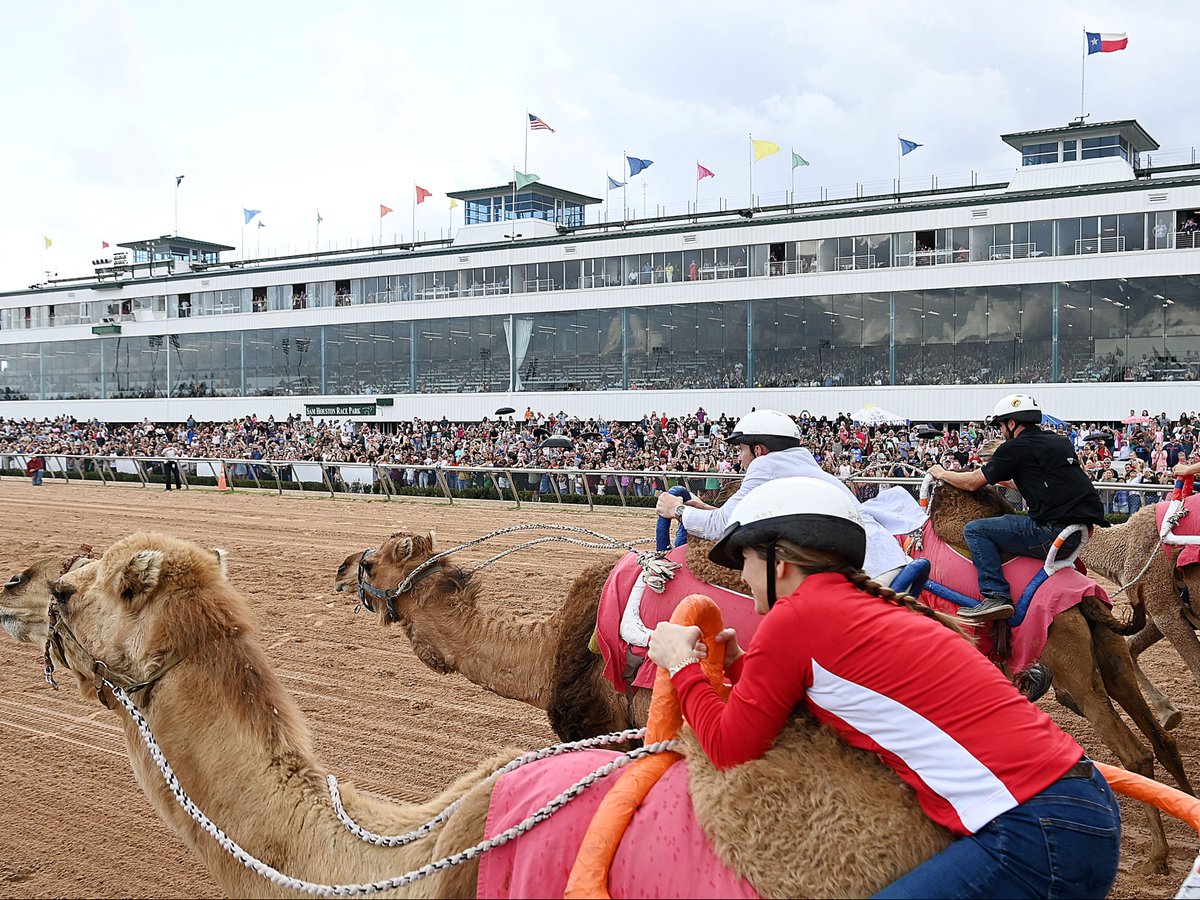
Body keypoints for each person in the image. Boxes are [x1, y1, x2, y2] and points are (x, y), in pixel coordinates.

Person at [647, 477, 1121, 899]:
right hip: (1074, 809)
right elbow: (845, 689)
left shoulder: (795, 618)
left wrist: (683, 664)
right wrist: (741, 667)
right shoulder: (865, 606)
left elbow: (730, 747)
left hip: (1032, 829)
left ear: (780, 560)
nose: (743, 576)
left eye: (746, 560)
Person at [654, 409, 915, 580]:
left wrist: (675, 510)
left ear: (759, 450)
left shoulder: (766, 466)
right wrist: (701, 507)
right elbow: (741, 520)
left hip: (868, 572)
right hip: (888, 562)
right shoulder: (799, 464)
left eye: (741, 450)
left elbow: (720, 527)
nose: (739, 457)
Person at [928, 394, 1108, 623]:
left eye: (1001, 426)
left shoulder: (1014, 448)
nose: (1001, 431)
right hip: (1076, 533)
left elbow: (972, 483)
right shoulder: (1058, 442)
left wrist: (941, 473)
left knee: (975, 529)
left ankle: (996, 595)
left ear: (1012, 424)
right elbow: (1040, 483)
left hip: (1049, 533)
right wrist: (996, 478)